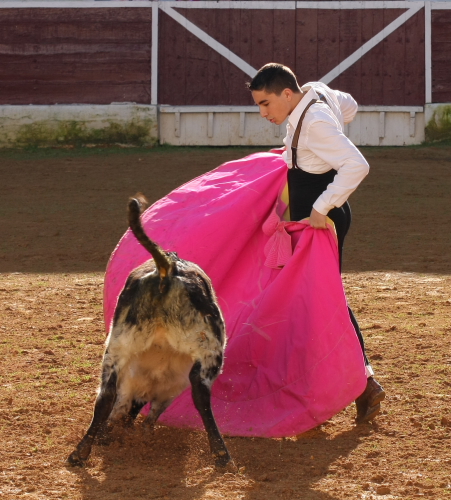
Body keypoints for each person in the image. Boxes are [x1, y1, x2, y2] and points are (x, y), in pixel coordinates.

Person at [247, 62, 385, 424]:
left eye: (265, 104)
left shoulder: (316, 121)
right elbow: (350, 103)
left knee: (322, 300)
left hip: (320, 221)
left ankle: (364, 382)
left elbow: (357, 165)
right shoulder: (316, 92)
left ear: (287, 95)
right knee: (312, 298)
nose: (263, 113)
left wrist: (322, 207)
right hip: (314, 219)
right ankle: (351, 382)